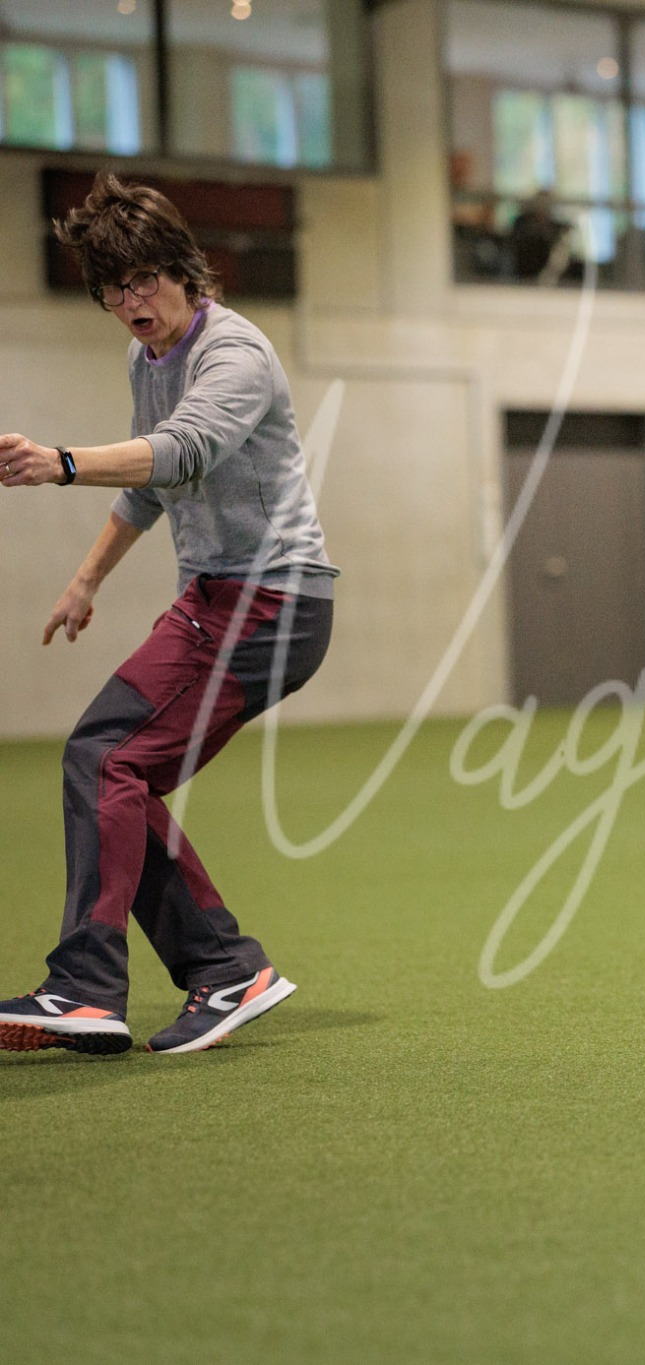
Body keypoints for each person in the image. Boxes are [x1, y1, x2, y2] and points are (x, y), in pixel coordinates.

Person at [0, 172, 337, 1057]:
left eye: (143, 280)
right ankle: (225, 969)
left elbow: (180, 452)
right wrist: (86, 579)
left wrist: (60, 462)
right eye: (112, 290)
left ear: (185, 269)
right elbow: (151, 490)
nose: (130, 303)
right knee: (108, 763)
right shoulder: (144, 360)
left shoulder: (236, 355)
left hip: (274, 601)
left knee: (109, 757)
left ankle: (86, 986)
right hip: (213, 599)